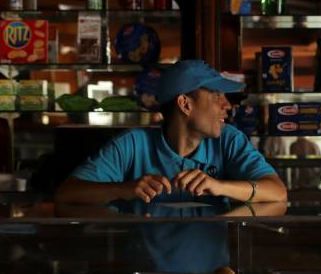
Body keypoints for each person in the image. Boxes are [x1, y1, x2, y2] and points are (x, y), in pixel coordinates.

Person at [55, 60, 287, 205]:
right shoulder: (132, 144)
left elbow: (277, 191)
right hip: (147, 268)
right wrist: (125, 189)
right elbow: (66, 193)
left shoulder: (229, 139)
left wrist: (219, 186)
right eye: (216, 95)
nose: (227, 105)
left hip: (213, 268)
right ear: (185, 104)